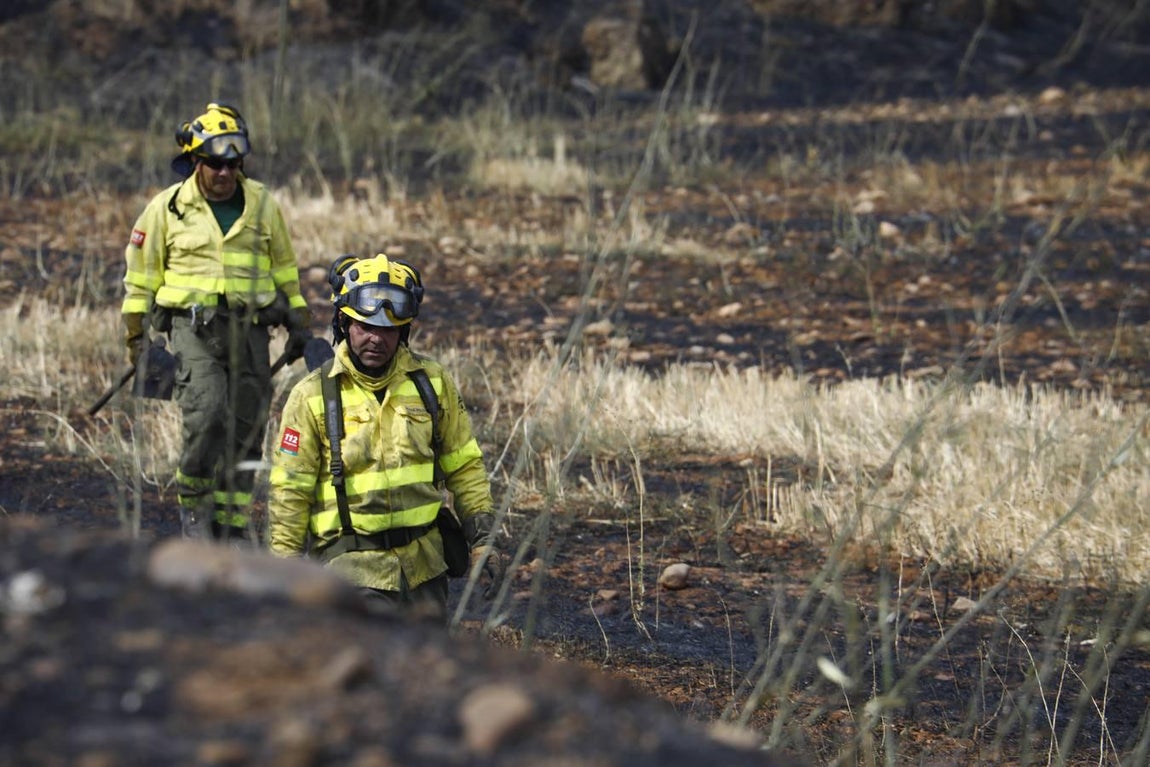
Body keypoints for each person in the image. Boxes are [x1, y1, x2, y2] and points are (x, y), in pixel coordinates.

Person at [266, 253, 502, 621]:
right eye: (365, 326)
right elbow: (290, 492)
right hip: (351, 573)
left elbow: (465, 466)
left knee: (428, 658)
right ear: (344, 323)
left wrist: (483, 540)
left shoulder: (432, 383)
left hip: (425, 571)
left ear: (404, 330)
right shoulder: (311, 395)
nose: (377, 338)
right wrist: (285, 572)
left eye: (389, 329)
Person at [120, 102, 312, 542]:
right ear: (194, 161)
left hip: (251, 330)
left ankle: (231, 522)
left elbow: (285, 270)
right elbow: (140, 280)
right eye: (215, 164)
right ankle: (194, 508)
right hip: (193, 330)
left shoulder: (262, 204)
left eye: (233, 163)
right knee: (207, 414)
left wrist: (298, 320)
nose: (225, 172)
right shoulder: (166, 209)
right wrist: (136, 339)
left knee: (247, 426)